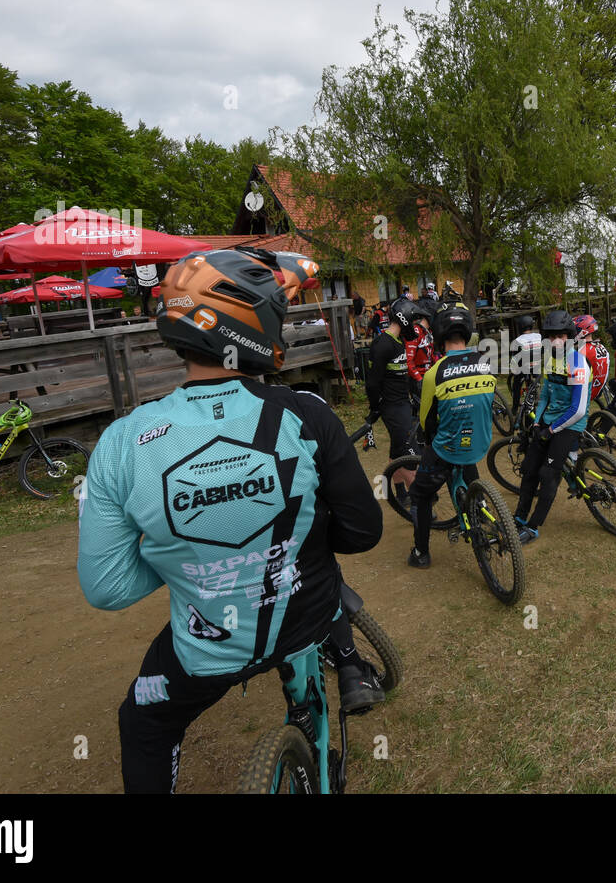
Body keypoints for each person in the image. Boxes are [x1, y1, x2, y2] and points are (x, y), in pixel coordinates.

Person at [77, 248, 385, 794]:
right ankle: (316, 756)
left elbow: (106, 588)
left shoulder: (122, 442)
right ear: (255, 325)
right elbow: (363, 531)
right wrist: (297, 536)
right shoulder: (306, 413)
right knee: (303, 653)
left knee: (144, 724)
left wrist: (181, 550)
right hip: (304, 616)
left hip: (206, 646)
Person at [405, 304, 495, 568]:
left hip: (448, 446)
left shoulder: (435, 372)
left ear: (440, 336)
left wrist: (428, 439)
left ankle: (421, 554)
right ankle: (479, 508)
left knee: (420, 495)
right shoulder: (485, 363)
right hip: (480, 440)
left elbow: (426, 420)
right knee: (467, 463)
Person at [512, 310, 590, 545]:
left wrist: (551, 429)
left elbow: (577, 409)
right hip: (548, 421)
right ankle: (519, 517)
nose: (557, 340)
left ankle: (533, 527)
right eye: (552, 335)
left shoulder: (578, 364)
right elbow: (545, 393)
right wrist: (537, 422)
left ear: (569, 337)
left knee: (548, 475)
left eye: (562, 336)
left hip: (571, 423)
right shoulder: (550, 359)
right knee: (529, 470)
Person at [367, 297, 427, 504]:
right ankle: (421, 501)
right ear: (403, 319)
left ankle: (400, 494)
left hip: (403, 403)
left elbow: (401, 374)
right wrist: (375, 407)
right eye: (412, 322)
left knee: (397, 452)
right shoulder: (382, 344)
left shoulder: (398, 341)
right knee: (410, 454)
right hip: (391, 408)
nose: (413, 327)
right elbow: (372, 382)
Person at [573, 314, 611, 402]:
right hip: (599, 388)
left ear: (583, 331)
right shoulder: (601, 346)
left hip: (586, 392)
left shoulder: (582, 350)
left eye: (576, 330)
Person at [508, 313, 541, 410]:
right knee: (536, 381)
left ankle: (514, 407)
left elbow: (514, 359)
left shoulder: (517, 340)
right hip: (536, 367)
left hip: (523, 368)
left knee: (516, 384)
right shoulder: (538, 336)